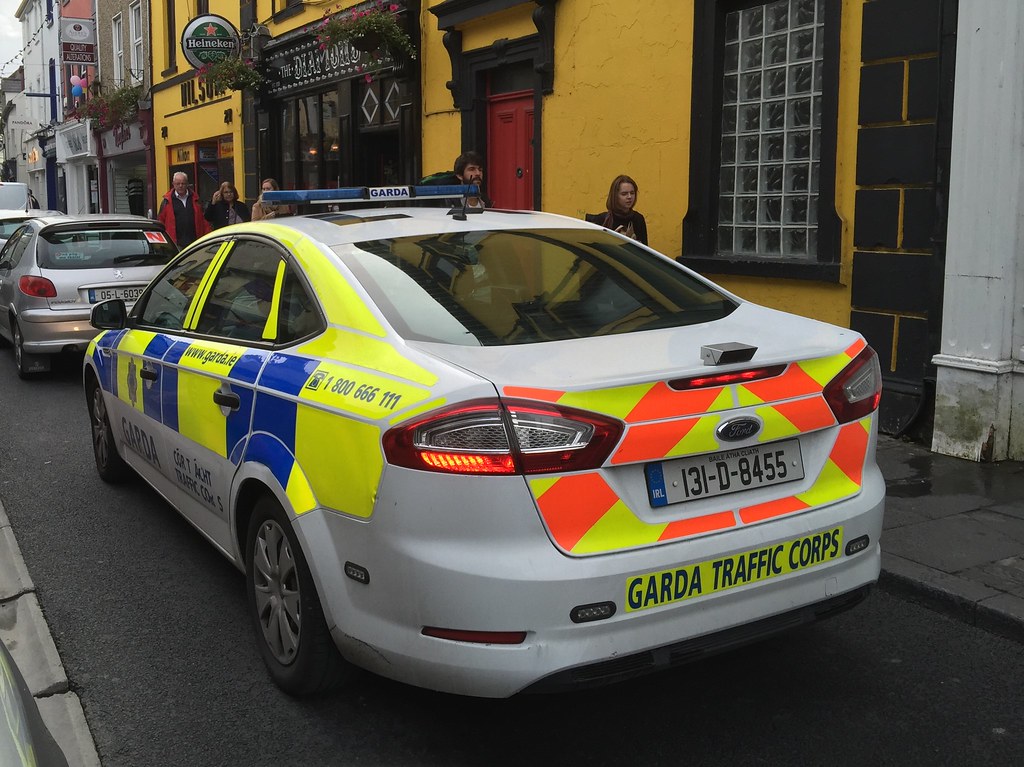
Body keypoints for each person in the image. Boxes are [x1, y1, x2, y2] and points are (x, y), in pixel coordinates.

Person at [586, 174, 648, 245]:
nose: (629, 197)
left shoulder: (638, 219)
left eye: (632, 193)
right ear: (615, 196)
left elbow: (644, 249)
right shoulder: (602, 220)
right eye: (624, 194)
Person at [157, 172, 210, 247]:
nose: (180, 186)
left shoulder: (196, 199)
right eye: (178, 184)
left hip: (195, 243)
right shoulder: (167, 202)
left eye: (183, 183)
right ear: (173, 184)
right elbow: (161, 222)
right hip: (175, 244)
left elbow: (204, 221)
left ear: (187, 184)